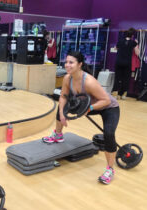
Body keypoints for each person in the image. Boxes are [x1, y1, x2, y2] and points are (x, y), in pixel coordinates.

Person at [42, 51, 120, 185]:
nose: (67, 65)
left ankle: (110, 169)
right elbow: (63, 97)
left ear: (80, 65)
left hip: (108, 107)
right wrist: (62, 114)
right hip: (87, 105)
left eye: (71, 62)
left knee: (108, 133)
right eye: (66, 62)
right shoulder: (68, 78)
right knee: (62, 108)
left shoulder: (89, 81)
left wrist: (89, 109)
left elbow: (106, 100)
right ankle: (58, 135)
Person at [113, 28, 140, 99]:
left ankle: (115, 94)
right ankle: (122, 95)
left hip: (118, 62)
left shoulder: (120, 41)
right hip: (127, 63)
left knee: (117, 78)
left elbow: (115, 48)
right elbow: (137, 53)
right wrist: (136, 44)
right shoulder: (133, 43)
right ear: (132, 36)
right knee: (126, 79)